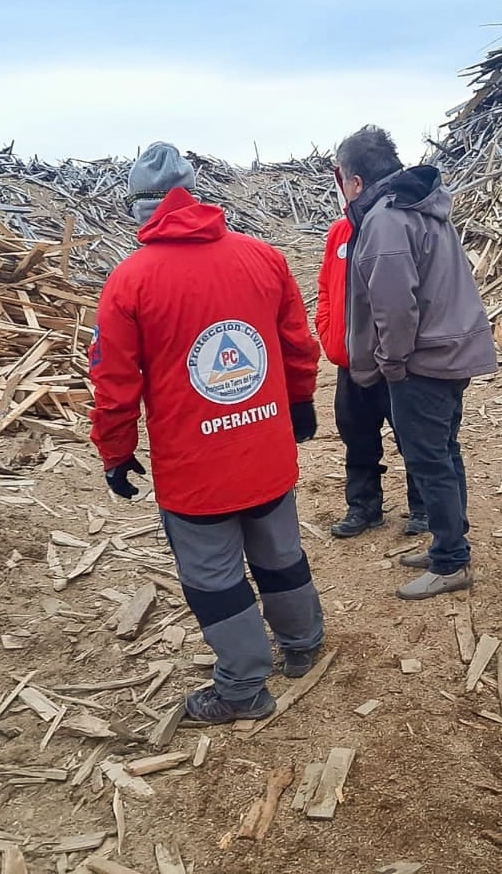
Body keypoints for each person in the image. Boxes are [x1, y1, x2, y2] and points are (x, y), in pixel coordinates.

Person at [89, 141, 325, 723]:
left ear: (138, 207)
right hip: (265, 449)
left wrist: (115, 452)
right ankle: (304, 645)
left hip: (194, 470)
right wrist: (300, 403)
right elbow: (297, 343)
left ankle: (244, 688)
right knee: (279, 552)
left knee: (214, 578)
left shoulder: (130, 281)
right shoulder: (262, 257)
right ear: (193, 193)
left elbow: (115, 384)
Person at [336, 126, 498, 600]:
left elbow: (393, 306)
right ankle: (450, 542)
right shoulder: (423, 205)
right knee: (445, 453)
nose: (343, 190)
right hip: (452, 351)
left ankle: (451, 561)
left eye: (343, 179)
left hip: (423, 361)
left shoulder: (387, 221)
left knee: (430, 460)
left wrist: (391, 362)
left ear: (357, 182)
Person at [315, 210, 428, 539]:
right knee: (356, 434)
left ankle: (423, 506)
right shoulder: (339, 232)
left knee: (412, 435)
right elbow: (326, 288)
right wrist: (330, 332)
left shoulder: (395, 228)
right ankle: (363, 506)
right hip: (351, 359)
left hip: (395, 358)